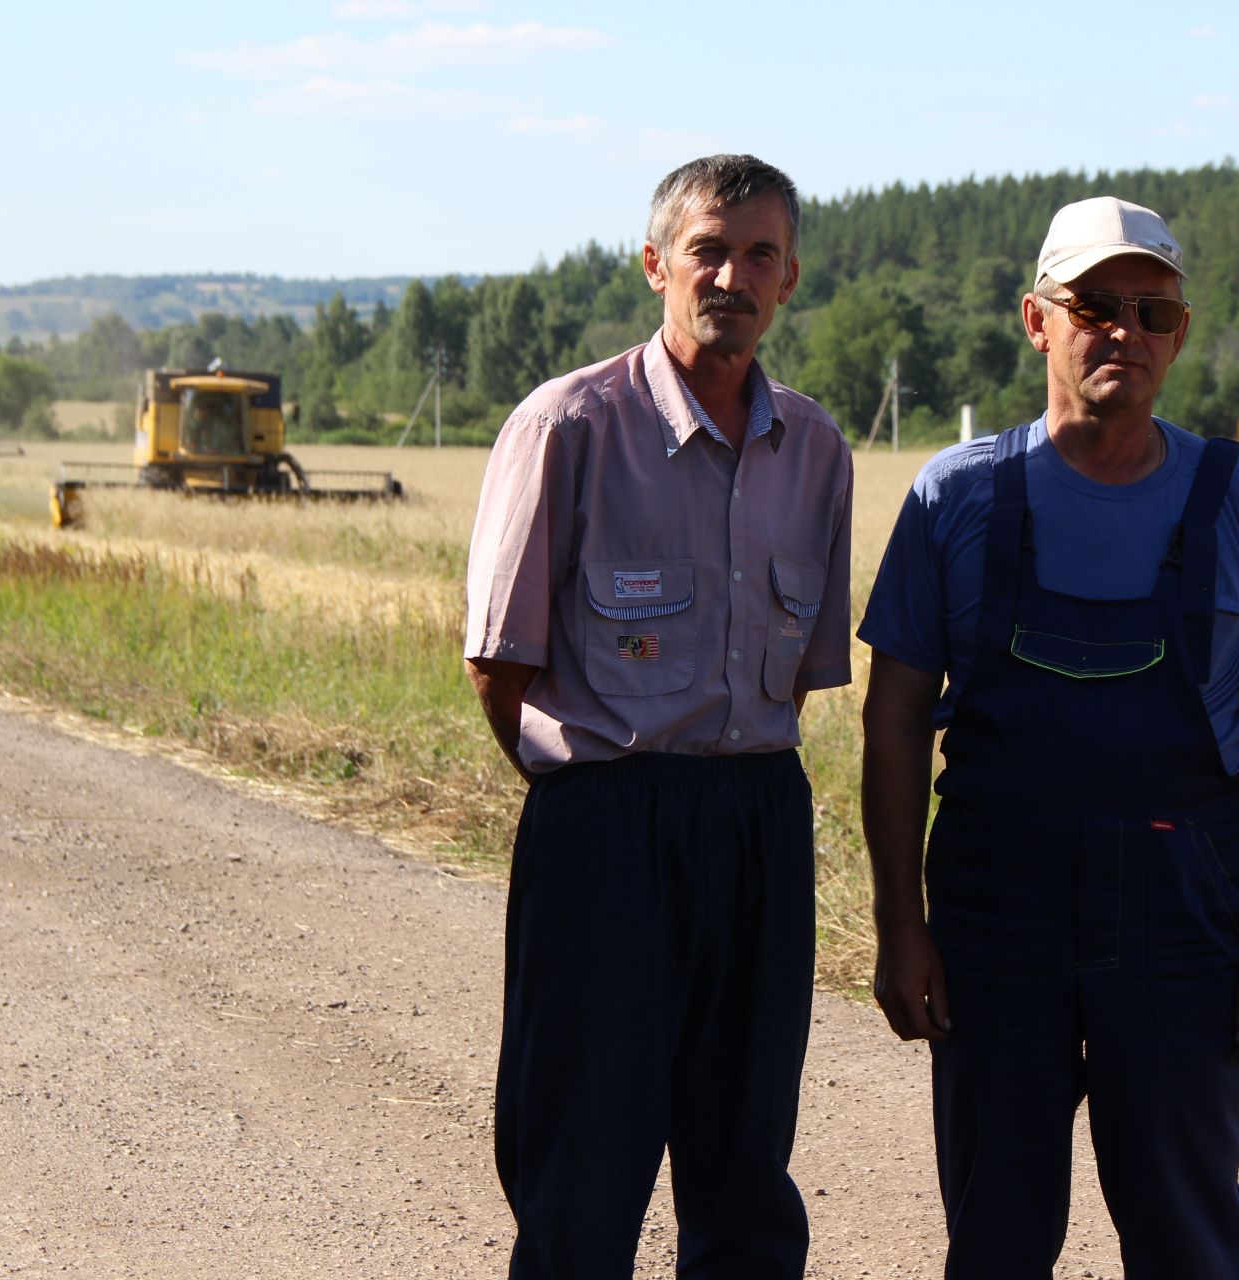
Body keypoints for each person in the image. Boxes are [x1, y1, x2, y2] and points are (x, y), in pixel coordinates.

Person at [859, 196, 1239, 1279]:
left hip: (1182, 918)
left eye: (1155, 312)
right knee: (997, 1229)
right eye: (1097, 306)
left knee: (1186, 1236)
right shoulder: (954, 497)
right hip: (995, 917)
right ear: (1038, 321)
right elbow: (892, 722)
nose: (1127, 331)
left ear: (1182, 332)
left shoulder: (1236, 500)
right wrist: (901, 925)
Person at [463, 153, 853, 1279]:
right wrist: (589, 797)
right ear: (655, 265)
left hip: (758, 822)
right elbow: (500, 661)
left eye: (759, 255)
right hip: (606, 823)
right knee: (583, 1154)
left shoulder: (817, 450)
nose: (731, 275)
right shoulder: (569, 426)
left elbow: (803, 679)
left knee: (745, 1158)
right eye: (707, 250)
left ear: (789, 282)